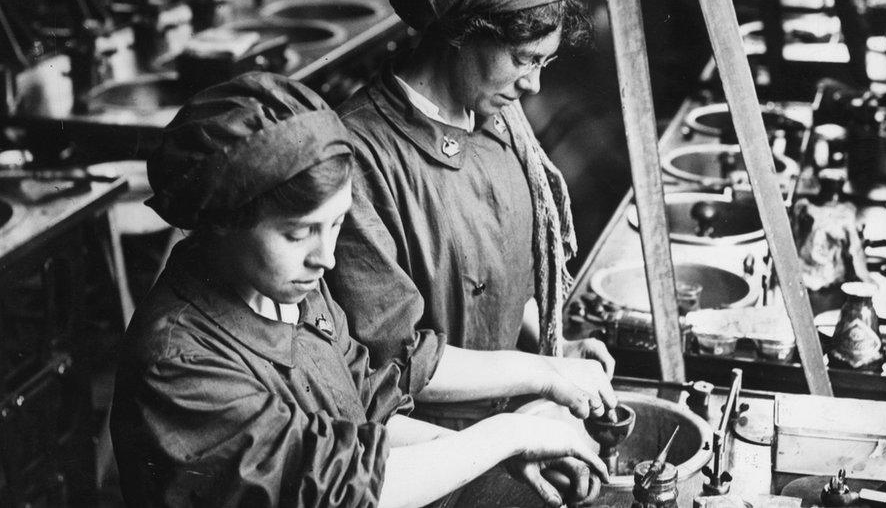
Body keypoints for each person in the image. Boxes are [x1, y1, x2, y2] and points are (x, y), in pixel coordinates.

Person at [110, 73, 609, 507]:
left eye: (334, 226)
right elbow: (333, 489)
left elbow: (367, 415)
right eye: (299, 231)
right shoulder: (178, 362)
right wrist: (508, 434)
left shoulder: (288, 289)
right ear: (223, 223)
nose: (325, 258)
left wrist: (501, 457)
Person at [331, 0, 615, 427]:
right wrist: (543, 372)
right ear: (461, 33)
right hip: (426, 449)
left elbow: (502, 281)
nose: (534, 84)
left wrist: (555, 347)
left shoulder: (501, 121)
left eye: (545, 62)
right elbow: (397, 361)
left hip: (508, 421)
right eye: (524, 59)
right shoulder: (359, 155)